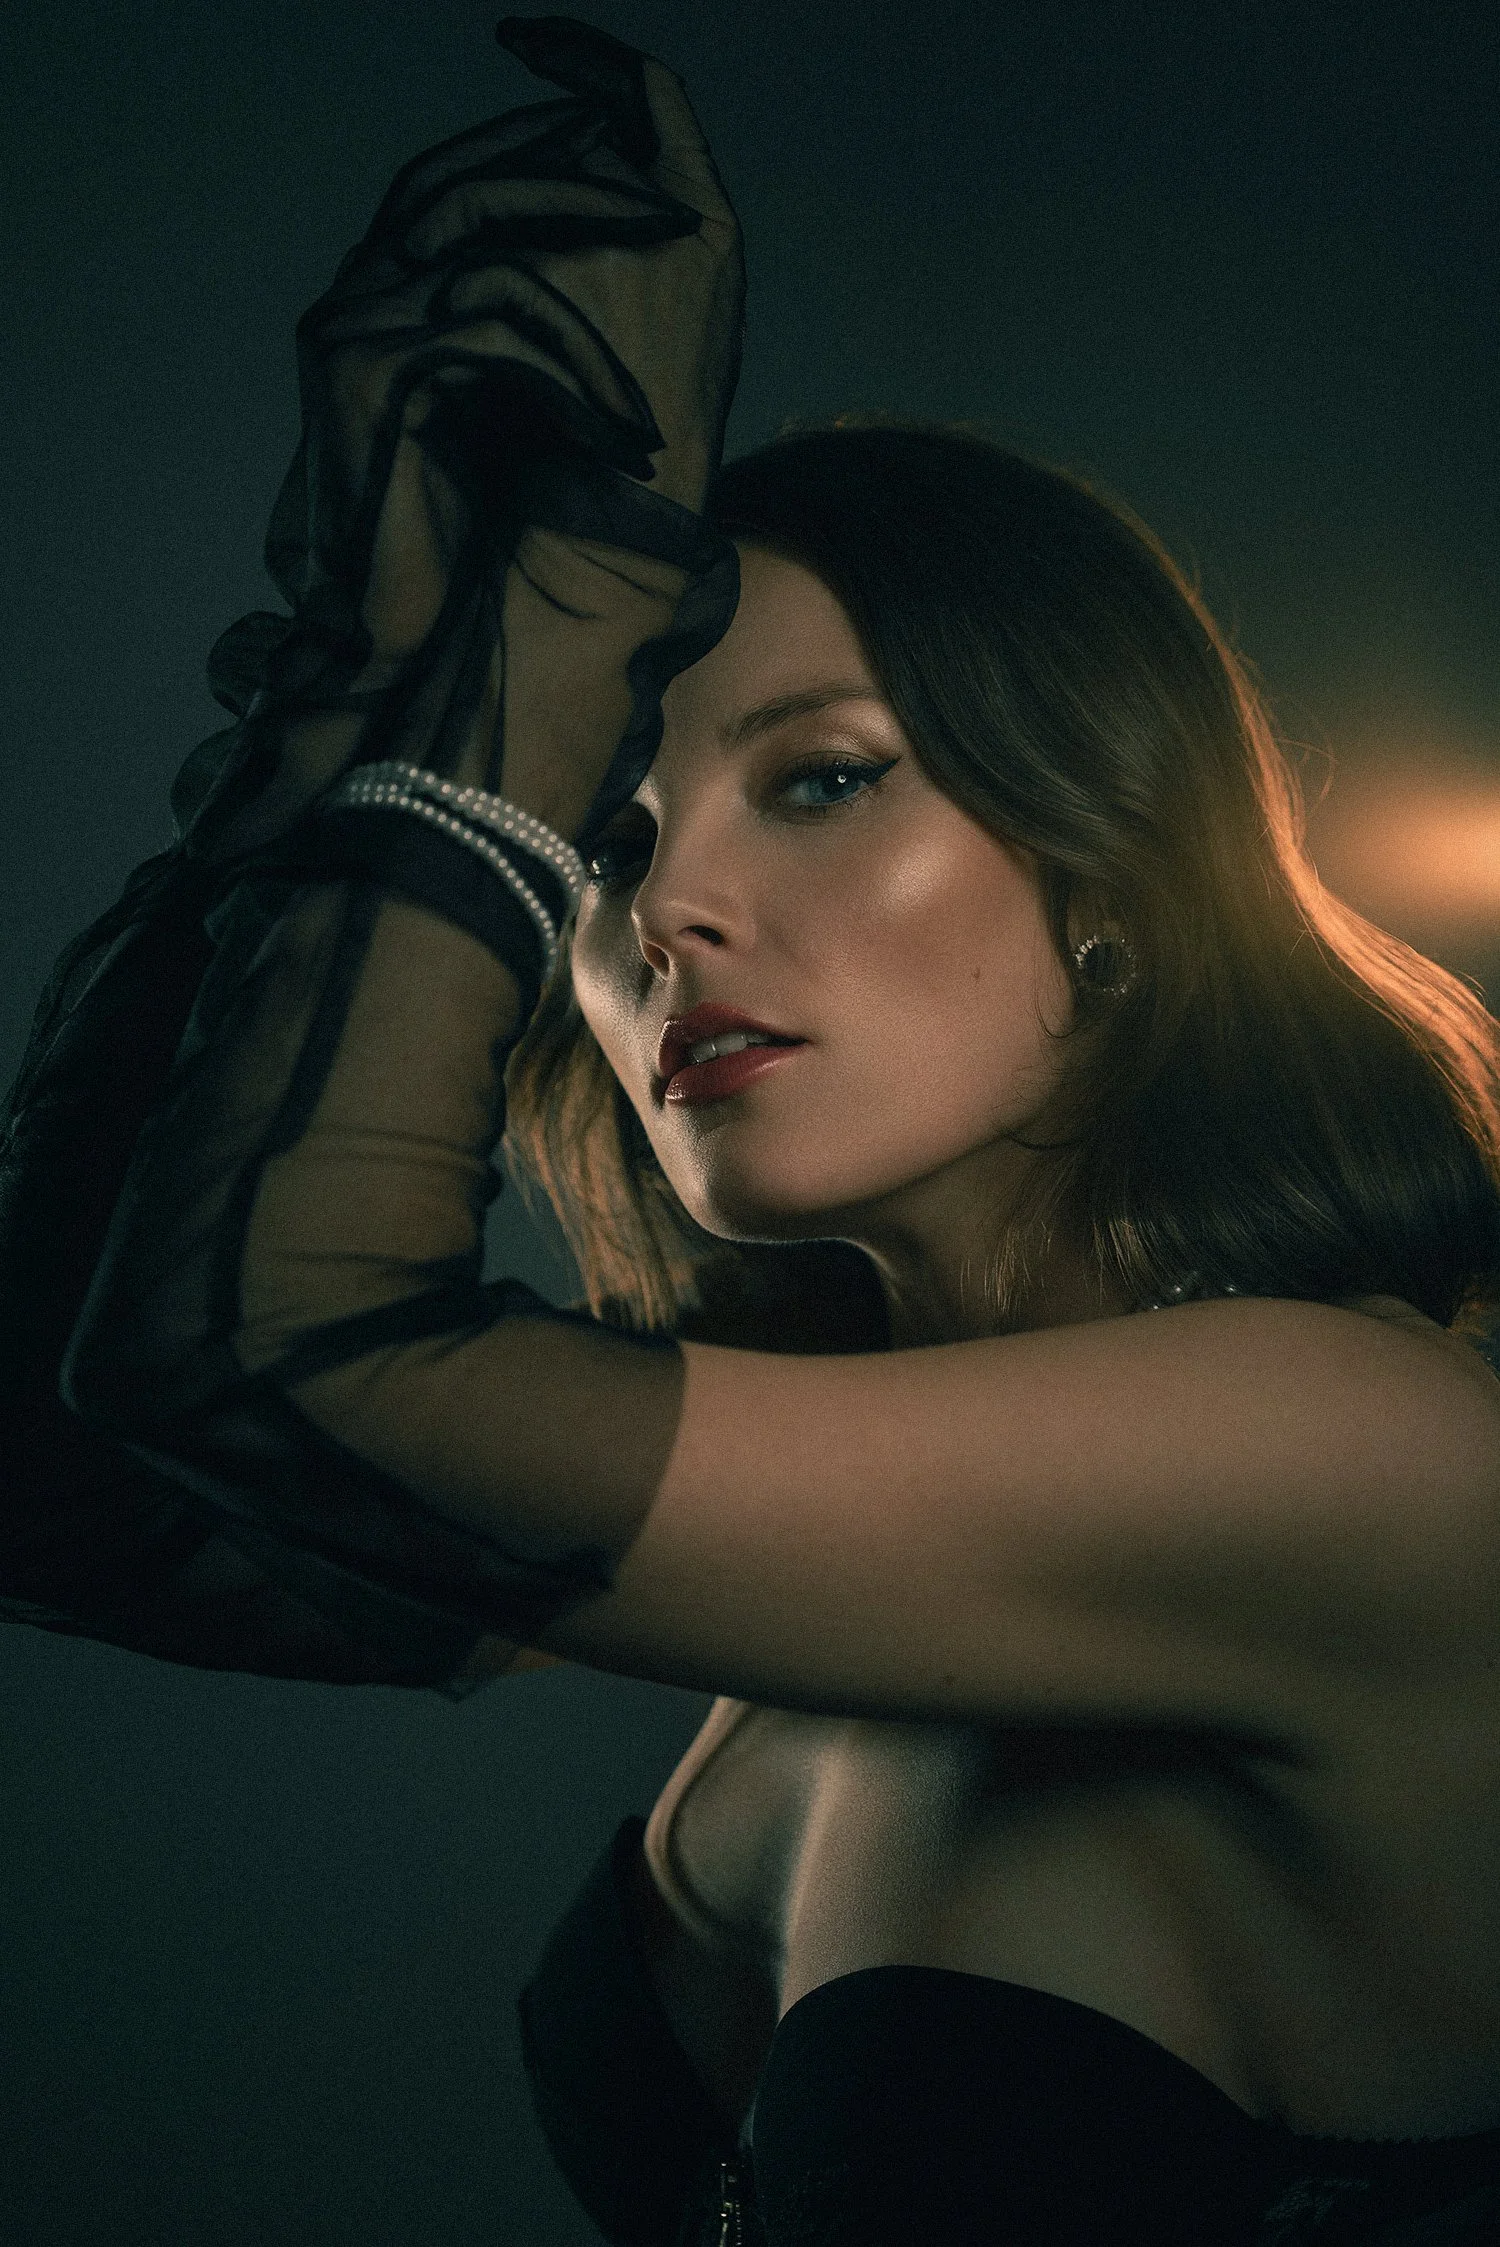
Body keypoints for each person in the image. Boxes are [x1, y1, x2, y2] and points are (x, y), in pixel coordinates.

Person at [6, 16, 1500, 2244]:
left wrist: (550, 610)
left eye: (821, 775)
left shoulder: (1350, 1446)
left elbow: (278, 1356)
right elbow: (69, 1480)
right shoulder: (855, 1438)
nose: (660, 907)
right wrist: (361, 682)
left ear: (1106, 877)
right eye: (596, 836)